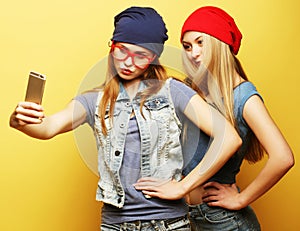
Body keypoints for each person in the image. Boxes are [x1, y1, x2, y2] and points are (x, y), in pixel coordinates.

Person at [9, 6, 242, 231]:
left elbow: (229, 138)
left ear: (153, 57)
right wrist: (20, 121)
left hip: (167, 224)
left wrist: (183, 187)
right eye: (122, 50)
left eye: (141, 55)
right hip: (114, 224)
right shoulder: (94, 101)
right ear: (112, 47)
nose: (129, 62)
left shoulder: (173, 91)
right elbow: (48, 127)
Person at [134, 6, 294, 231]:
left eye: (201, 42)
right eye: (187, 46)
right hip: (186, 219)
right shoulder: (193, 93)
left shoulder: (242, 95)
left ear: (219, 44)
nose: (193, 53)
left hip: (223, 221)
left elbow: (283, 157)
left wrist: (241, 199)